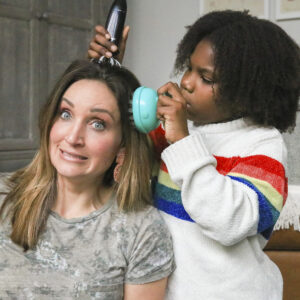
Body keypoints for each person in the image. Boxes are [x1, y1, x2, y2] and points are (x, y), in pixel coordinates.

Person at [88, 9, 300, 300]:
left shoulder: (262, 145)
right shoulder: (173, 133)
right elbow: (120, 147)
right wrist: (112, 71)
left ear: (247, 91)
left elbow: (230, 222)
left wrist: (183, 142)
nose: (186, 82)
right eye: (189, 68)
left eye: (206, 78)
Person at [0, 59, 175, 299]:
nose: (73, 137)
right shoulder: (3, 198)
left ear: (122, 143)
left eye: (97, 124)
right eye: (65, 114)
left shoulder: (142, 231)